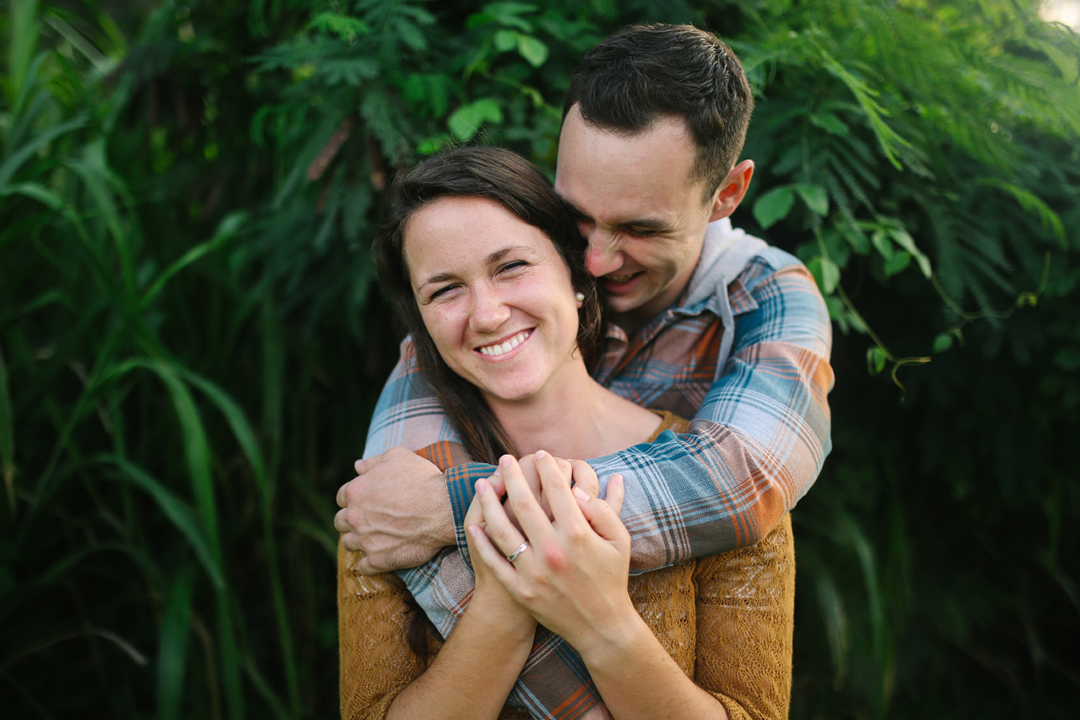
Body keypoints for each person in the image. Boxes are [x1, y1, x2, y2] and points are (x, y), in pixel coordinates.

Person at [337, 23, 834, 718]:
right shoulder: (506, 284)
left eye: (641, 229)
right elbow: (391, 491)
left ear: (726, 195)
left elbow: (744, 479)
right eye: (576, 219)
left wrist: (465, 509)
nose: (598, 262)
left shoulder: (768, 298)